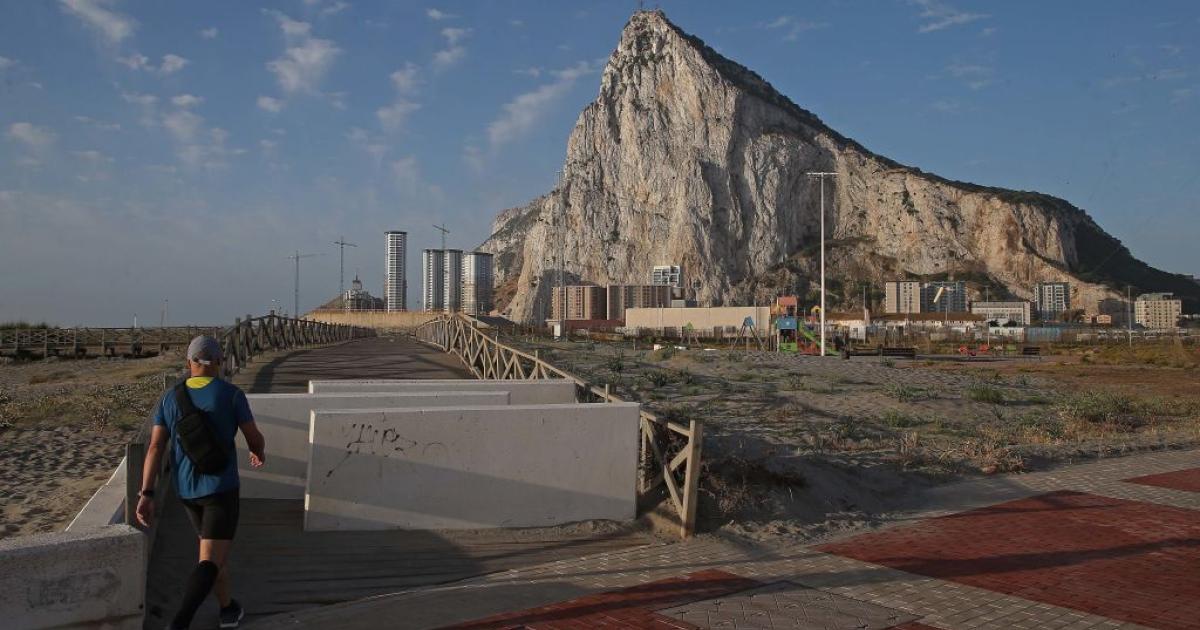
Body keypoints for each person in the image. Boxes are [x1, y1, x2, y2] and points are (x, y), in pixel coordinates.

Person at [136, 335, 266, 629]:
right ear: (220, 363)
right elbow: (253, 436)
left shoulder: (171, 398)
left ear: (189, 363)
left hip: (187, 493)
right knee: (209, 560)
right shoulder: (231, 395)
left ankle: (228, 608)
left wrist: (147, 493)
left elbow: (156, 447)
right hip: (221, 491)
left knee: (212, 554)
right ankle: (180, 622)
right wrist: (259, 452)